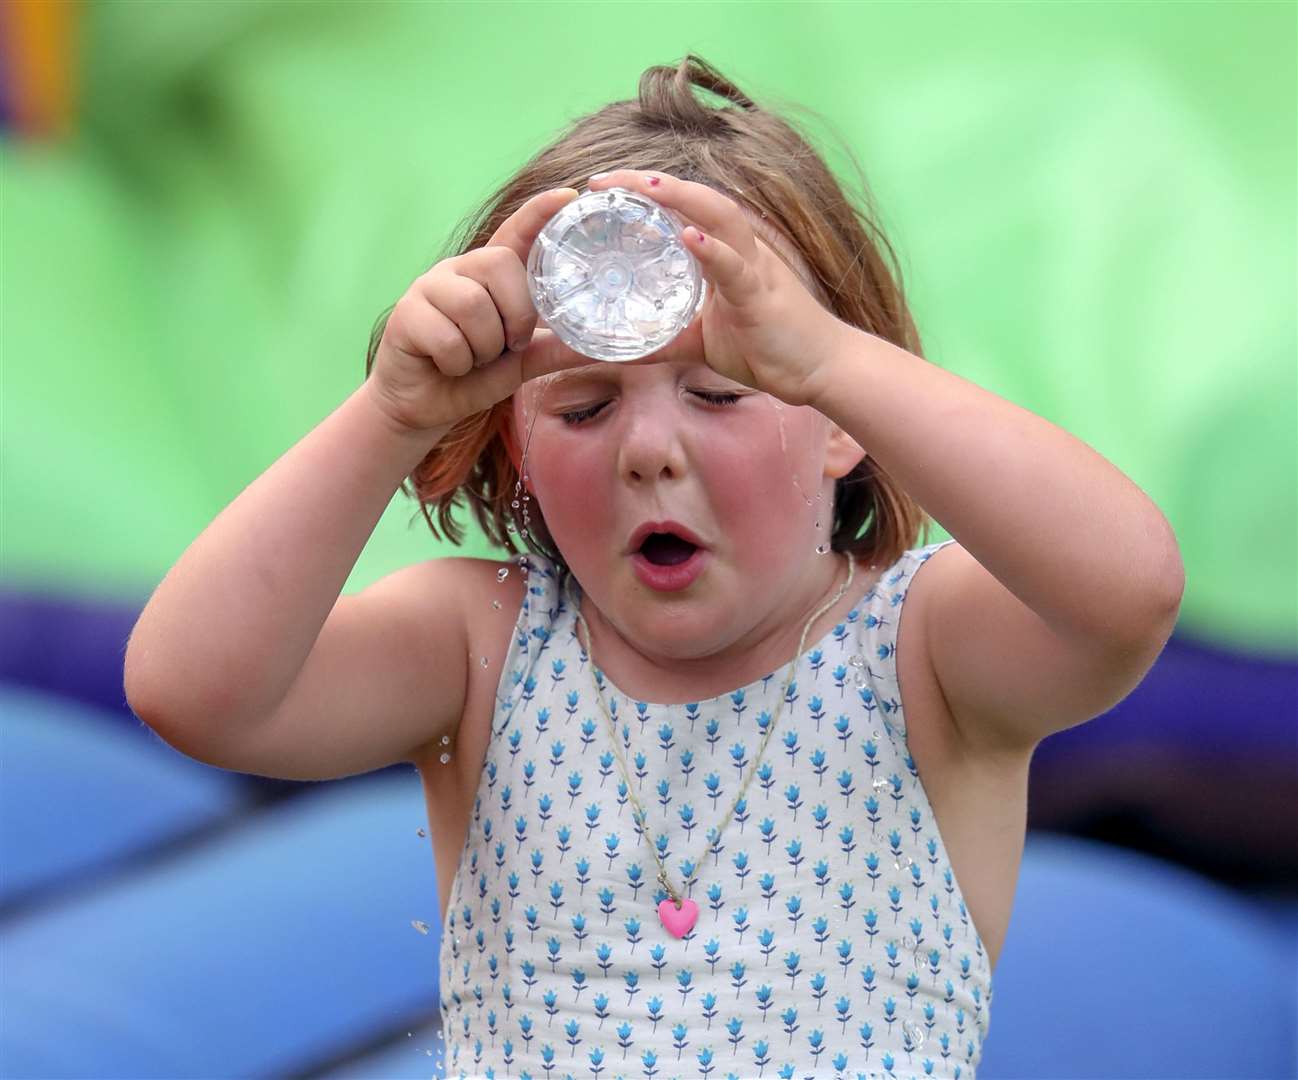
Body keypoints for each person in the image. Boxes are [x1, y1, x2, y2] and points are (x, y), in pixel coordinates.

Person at [124, 54, 1184, 1080]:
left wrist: (826, 357)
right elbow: (195, 694)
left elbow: (1124, 592)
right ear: (513, 446)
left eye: (719, 393)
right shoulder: (481, 650)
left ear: (841, 425)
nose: (648, 449)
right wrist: (391, 414)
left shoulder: (924, 654)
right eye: (583, 407)